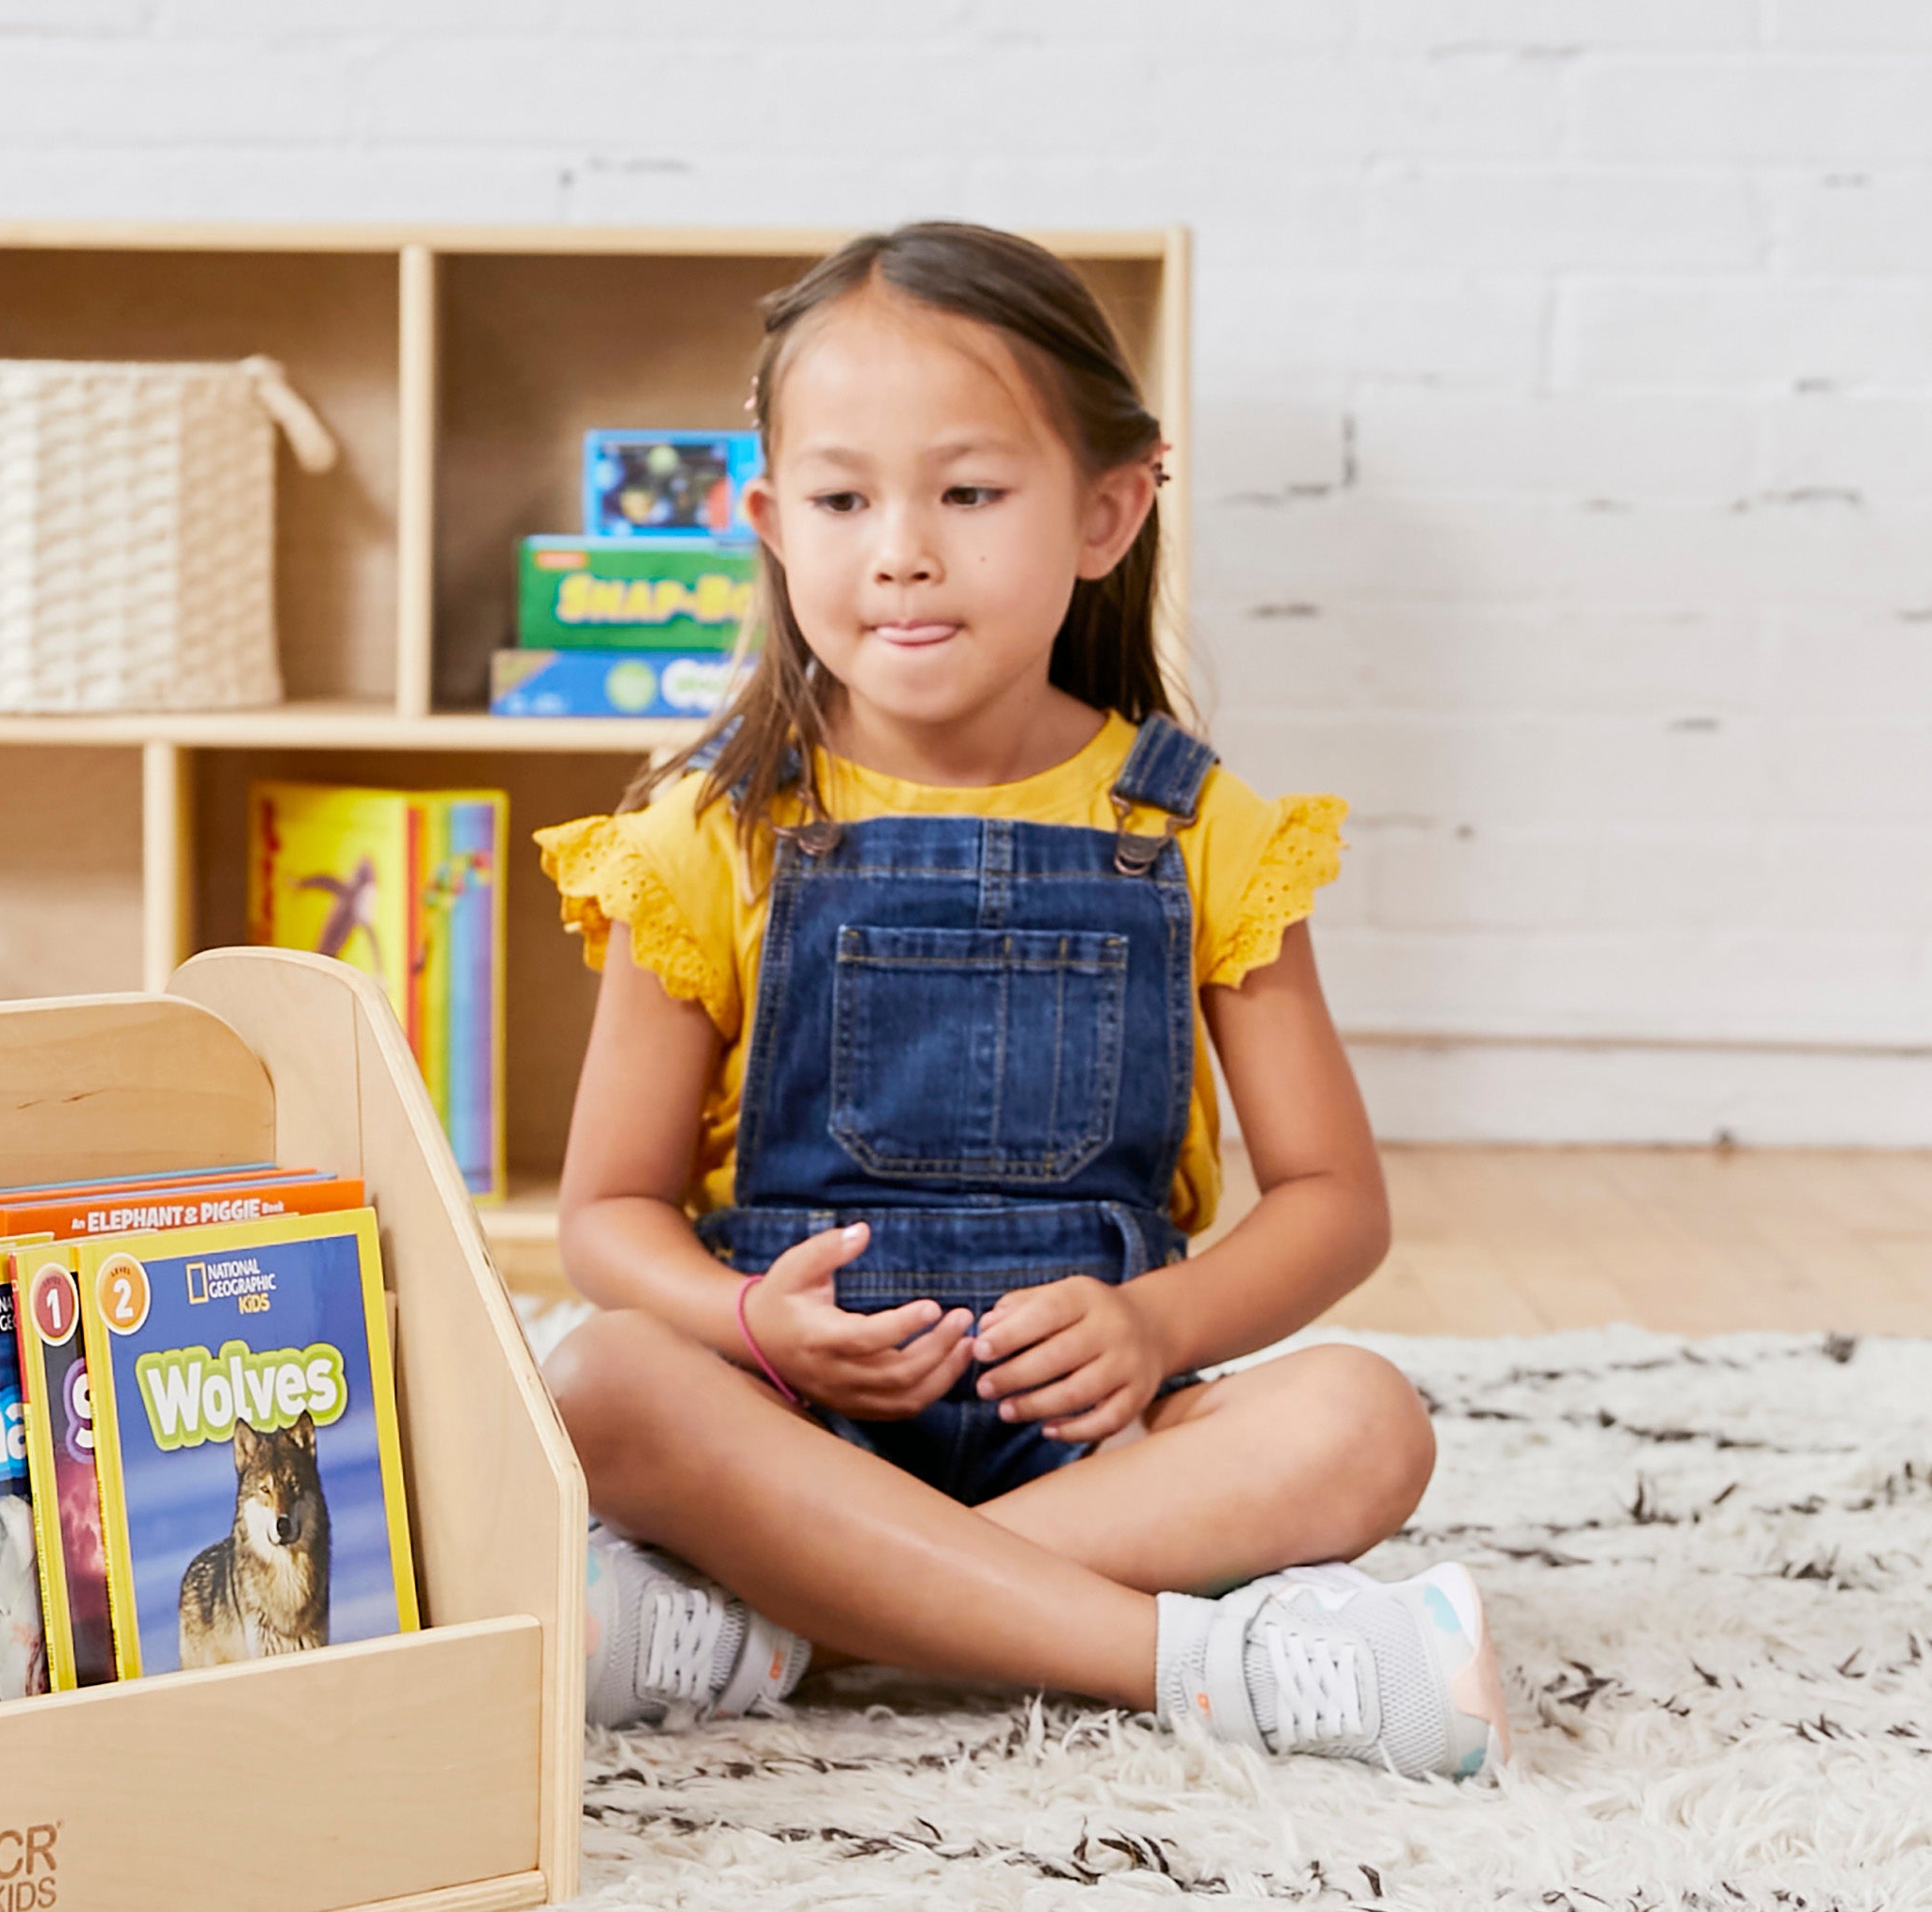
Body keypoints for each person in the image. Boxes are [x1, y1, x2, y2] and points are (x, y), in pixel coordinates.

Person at [535, 223, 1507, 1782]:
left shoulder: (1203, 831)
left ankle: (791, 1629)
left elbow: (1334, 1202)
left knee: (1364, 1418)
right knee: (596, 1379)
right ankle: (1190, 1664)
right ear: (773, 523)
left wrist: (1156, 1326)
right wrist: (747, 1324)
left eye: (969, 495)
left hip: (1095, 1442)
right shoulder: (707, 834)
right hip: (797, 1422)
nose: (900, 549)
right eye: (845, 502)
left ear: (1109, 512)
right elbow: (607, 1215)